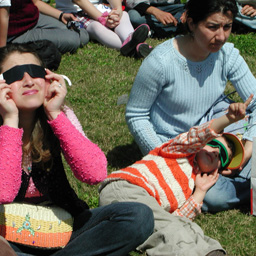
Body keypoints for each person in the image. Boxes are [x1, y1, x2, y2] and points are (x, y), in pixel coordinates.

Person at [0, 43, 154, 255]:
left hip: (66, 227)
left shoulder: (60, 115)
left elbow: (95, 174)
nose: (28, 81)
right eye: (15, 75)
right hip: (8, 235)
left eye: (35, 72)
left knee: (138, 217)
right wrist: (9, 120)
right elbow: (3, 192)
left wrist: (55, 115)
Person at [125, 0, 256, 212]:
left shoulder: (227, 55)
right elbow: (136, 115)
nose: (221, 36)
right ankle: (242, 183)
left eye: (227, 27)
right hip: (175, 146)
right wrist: (163, 157)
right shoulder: (162, 62)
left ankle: (240, 172)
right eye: (212, 27)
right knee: (215, 197)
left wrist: (249, 148)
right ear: (192, 23)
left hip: (216, 132)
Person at [100, 96, 252, 256]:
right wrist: (228, 119)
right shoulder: (179, 152)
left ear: (217, 169)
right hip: (126, 188)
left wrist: (200, 192)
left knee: (187, 228)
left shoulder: (189, 187)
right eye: (214, 144)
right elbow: (197, 135)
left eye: (222, 157)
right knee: (169, 230)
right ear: (203, 143)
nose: (215, 152)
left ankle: (211, 251)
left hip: (140, 210)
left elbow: (178, 218)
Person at [55, 0, 152, 57]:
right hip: (74, 12)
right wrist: (102, 19)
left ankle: (132, 41)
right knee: (96, 27)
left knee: (123, 15)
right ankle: (136, 44)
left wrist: (117, 10)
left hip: (98, 8)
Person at [0, 0, 89, 54]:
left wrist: (61, 15)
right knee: (74, 39)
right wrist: (3, 54)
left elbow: (35, 2)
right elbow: (3, 18)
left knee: (82, 35)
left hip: (34, 18)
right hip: (15, 34)